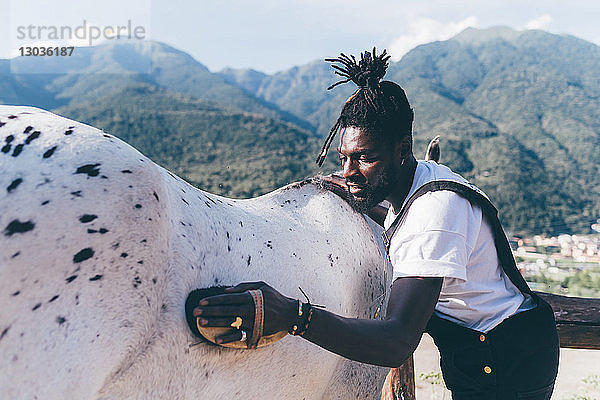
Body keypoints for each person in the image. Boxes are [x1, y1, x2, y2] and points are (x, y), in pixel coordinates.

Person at [192, 48, 559, 399]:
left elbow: (396, 343)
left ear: (403, 149)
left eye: (364, 159)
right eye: (344, 158)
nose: (348, 173)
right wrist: (367, 202)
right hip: (484, 349)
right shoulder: (422, 182)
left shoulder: (435, 213)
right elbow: (404, 220)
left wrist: (292, 315)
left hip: (506, 359)